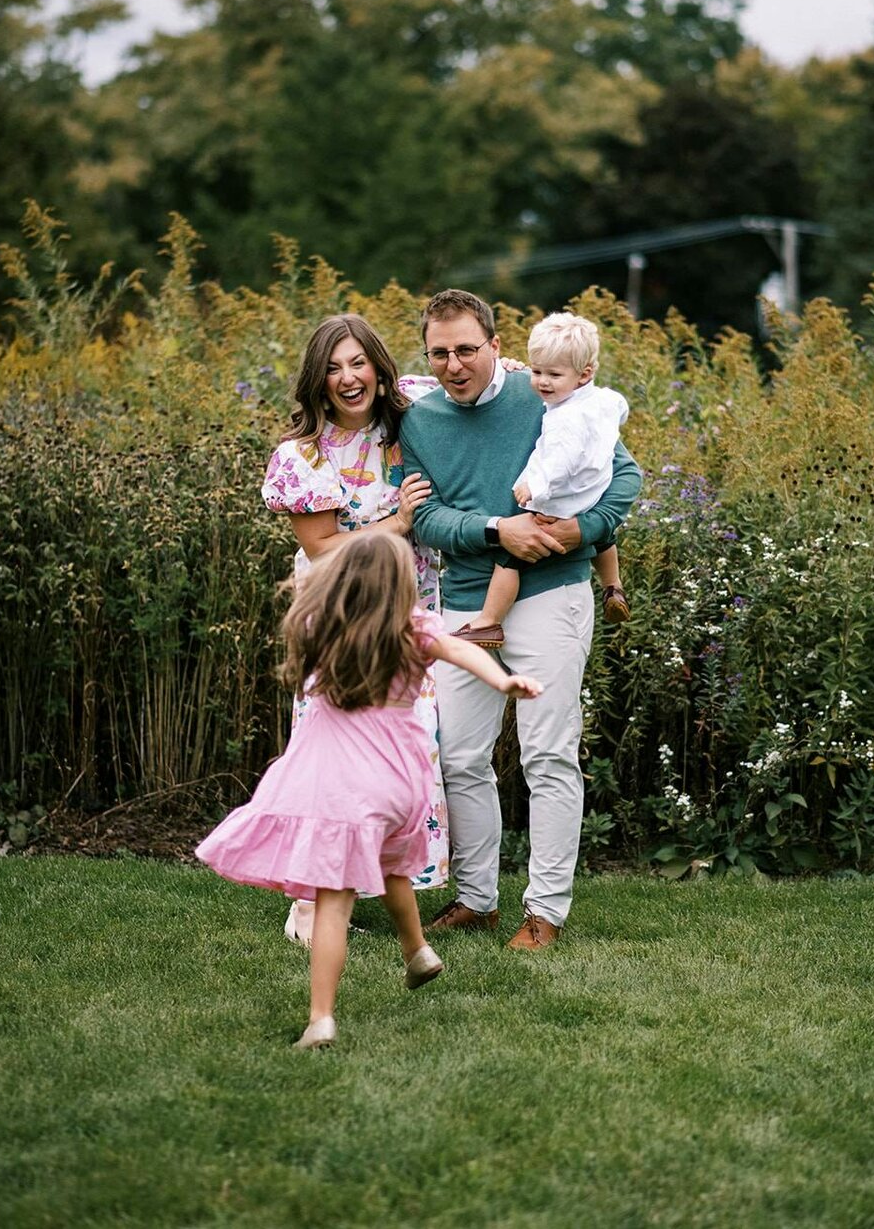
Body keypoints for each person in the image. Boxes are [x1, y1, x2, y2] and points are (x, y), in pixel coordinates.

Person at [196, 531, 543, 1049]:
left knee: (334, 902)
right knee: (391, 866)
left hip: (345, 788)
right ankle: (418, 951)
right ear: (403, 585)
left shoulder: (321, 628)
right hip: (401, 787)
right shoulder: (415, 630)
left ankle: (321, 1020)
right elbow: (456, 648)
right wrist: (502, 682)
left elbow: (306, 609)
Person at [399, 289, 642, 951]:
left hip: (551, 594)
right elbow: (425, 517)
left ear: (496, 346)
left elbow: (623, 478)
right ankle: (477, 900)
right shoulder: (421, 423)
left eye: (467, 350)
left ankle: (546, 912)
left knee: (548, 753)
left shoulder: (546, 394)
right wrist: (492, 527)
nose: (454, 364)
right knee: (460, 756)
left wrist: (576, 532)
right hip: (467, 604)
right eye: (439, 353)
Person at [259, 314, 447, 948]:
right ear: (318, 378)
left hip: (406, 609)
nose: (348, 378)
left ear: (377, 367)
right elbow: (324, 549)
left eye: (358, 363)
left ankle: (381, 883)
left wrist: (532, 374)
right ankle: (309, 901)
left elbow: (478, 370)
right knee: (332, 758)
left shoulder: (411, 415)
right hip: (336, 617)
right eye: (334, 367)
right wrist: (396, 525)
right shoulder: (300, 456)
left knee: (404, 751)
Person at [455, 312, 631, 648]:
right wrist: (518, 372)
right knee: (605, 535)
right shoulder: (603, 399)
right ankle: (613, 586)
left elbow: (558, 462)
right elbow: (620, 408)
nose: (542, 383)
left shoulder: (564, 418)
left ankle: (488, 621)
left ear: (584, 374)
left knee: (510, 560)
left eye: (553, 374)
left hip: (558, 502)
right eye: (536, 372)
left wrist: (535, 487)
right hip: (591, 494)